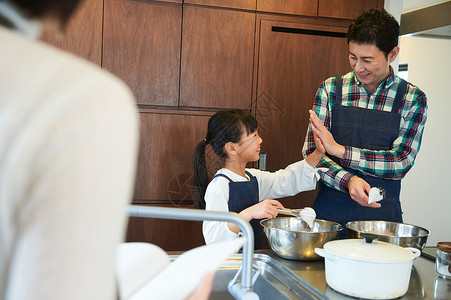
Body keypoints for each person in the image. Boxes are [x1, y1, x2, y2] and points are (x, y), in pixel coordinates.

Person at [302, 9, 427, 238]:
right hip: (329, 219)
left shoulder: (412, 98)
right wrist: (349, 181)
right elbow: (312, 153)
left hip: (383, 222)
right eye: (353, 57)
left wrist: (340, 151)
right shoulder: (330, 90)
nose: (358, 67)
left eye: (367, 60)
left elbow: (401, 161)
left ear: (392, 54)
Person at [193, 109, 325, 248]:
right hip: (230, 265)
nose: (260, 140)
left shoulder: (253, 177)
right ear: (232, 148)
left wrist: (318, 153)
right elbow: (214, 239)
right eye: (254, 136)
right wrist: (250, 213)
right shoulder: (219, 186)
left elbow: (286, 179)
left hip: (251, 259)